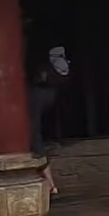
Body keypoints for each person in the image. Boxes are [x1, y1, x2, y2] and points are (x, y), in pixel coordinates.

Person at [27, 45, 70, 196]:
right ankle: (51, 185)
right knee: (36, 135)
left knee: (35, 136)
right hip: (50, 96)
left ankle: (51, 185)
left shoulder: (43, 61)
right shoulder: (59, 63)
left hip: (39, 95)